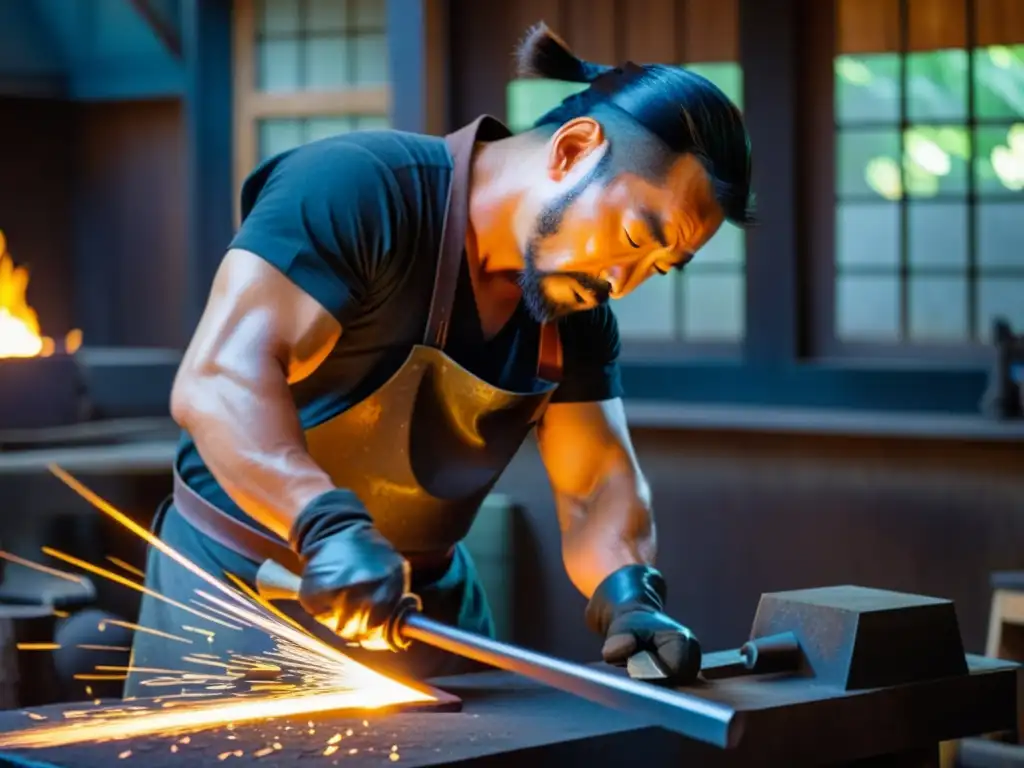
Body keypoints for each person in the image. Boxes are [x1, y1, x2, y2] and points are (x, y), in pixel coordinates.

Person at [120, 23, 754, 697]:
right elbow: (219, 379)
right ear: (572, 150)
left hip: (429, 624)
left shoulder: (577, 314)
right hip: (239, 597)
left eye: (658, 267)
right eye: (633, 237)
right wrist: (326, 526)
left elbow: (596, 484)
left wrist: (630, 595)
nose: (623, 281)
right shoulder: (357, 191)